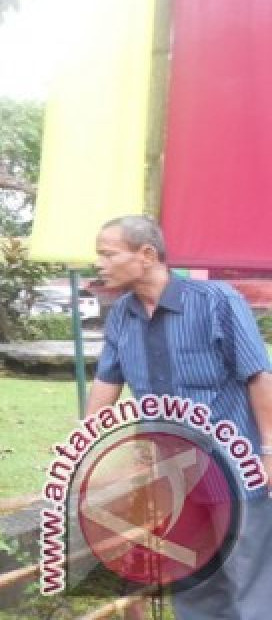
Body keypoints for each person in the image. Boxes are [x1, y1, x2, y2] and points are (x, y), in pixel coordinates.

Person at [85, 215, 272, 619]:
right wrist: (86, 452)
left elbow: (259, 376)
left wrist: (270, 453)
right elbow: (106, 384)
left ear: (146, 254)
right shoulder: (121, 316)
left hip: (233, 468)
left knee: (248, 585)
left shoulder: (217, 302)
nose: (99, 263)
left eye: (107, 254)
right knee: (193, 582)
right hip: (171, 478)